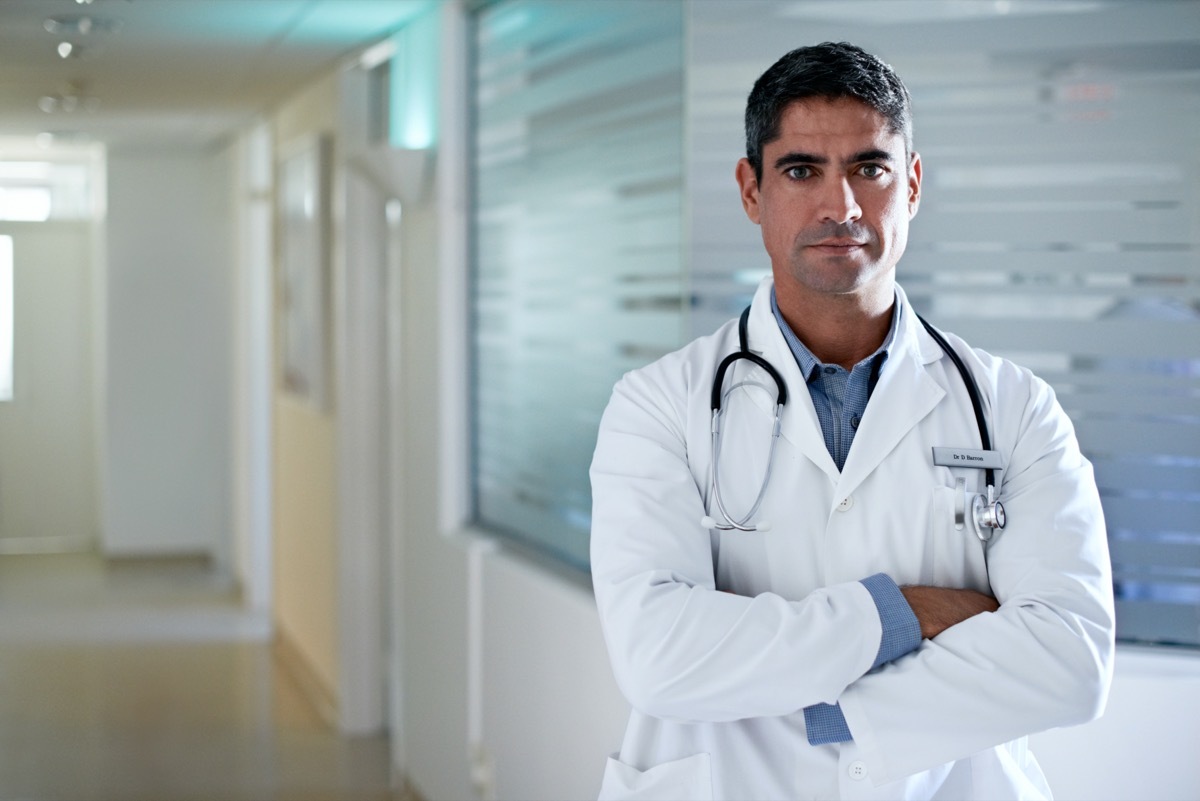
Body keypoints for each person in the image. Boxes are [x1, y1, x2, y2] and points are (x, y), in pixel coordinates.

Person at [589, 42, 1115, 800]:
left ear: (913, 184)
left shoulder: (1014, 408)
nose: (841, 207)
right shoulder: (658, 406)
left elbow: (1069, 661)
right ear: (750, 190)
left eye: (869, 168)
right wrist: (908, 611)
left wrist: (811, 695)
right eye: (802, 170)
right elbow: (660, 659)